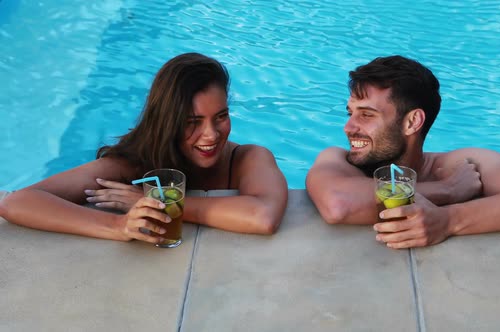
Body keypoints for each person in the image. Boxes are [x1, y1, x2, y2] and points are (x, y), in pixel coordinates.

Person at [0, 52, 288, 243]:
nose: (211, 134)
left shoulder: (247, 158)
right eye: (193, 121)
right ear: (168, 121)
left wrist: (160, 205)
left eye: (221, 117)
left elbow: (262, 216)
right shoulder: (135, 165)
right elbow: (17, 202)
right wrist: (118, 226)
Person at [306, 55, 500, 249]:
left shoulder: (461, 163)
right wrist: (447, 190)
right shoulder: (339, 160)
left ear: (412, 122)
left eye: (366, 115)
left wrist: (450, 220)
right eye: (350, 113)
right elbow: (339, 205)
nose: (348, 127)